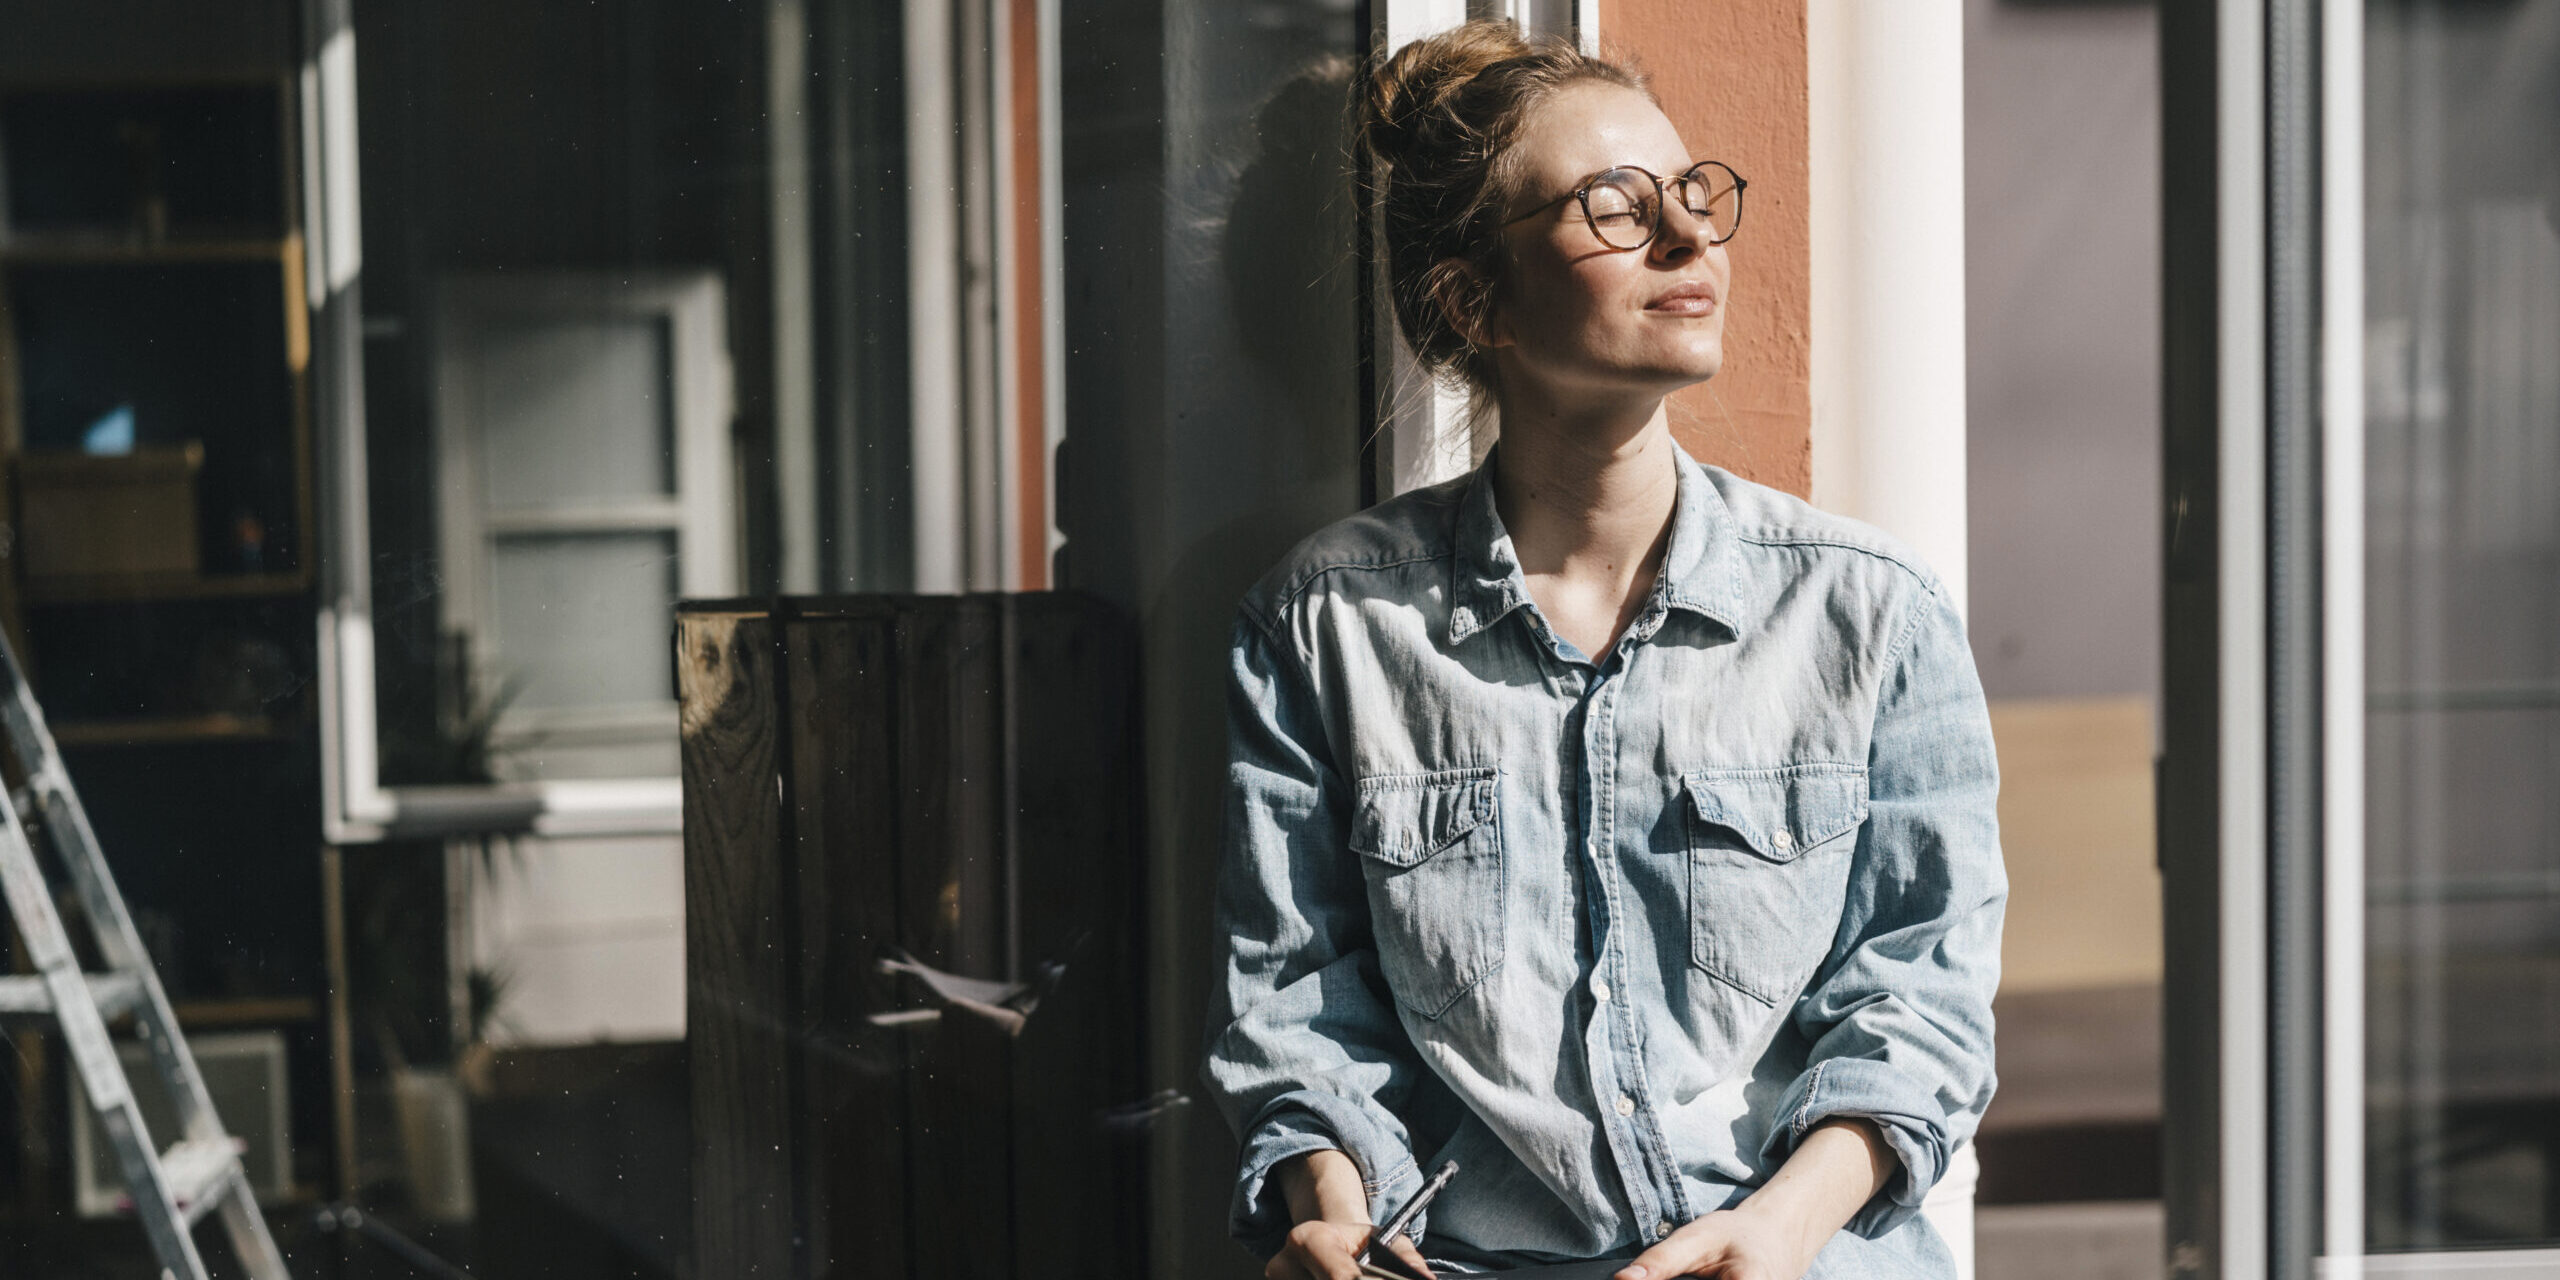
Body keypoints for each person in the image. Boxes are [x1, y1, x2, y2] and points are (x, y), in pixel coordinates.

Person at [1198, 19, 2006, 1280]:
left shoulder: (1866, 612)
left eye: (1690, 195)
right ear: (1476, 299)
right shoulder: (1327, 626)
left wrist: (1775, 1228)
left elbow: (1922, 1000)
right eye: (1617, 207)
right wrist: (1332, 1206)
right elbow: (1298, 1001)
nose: (1689, 239)